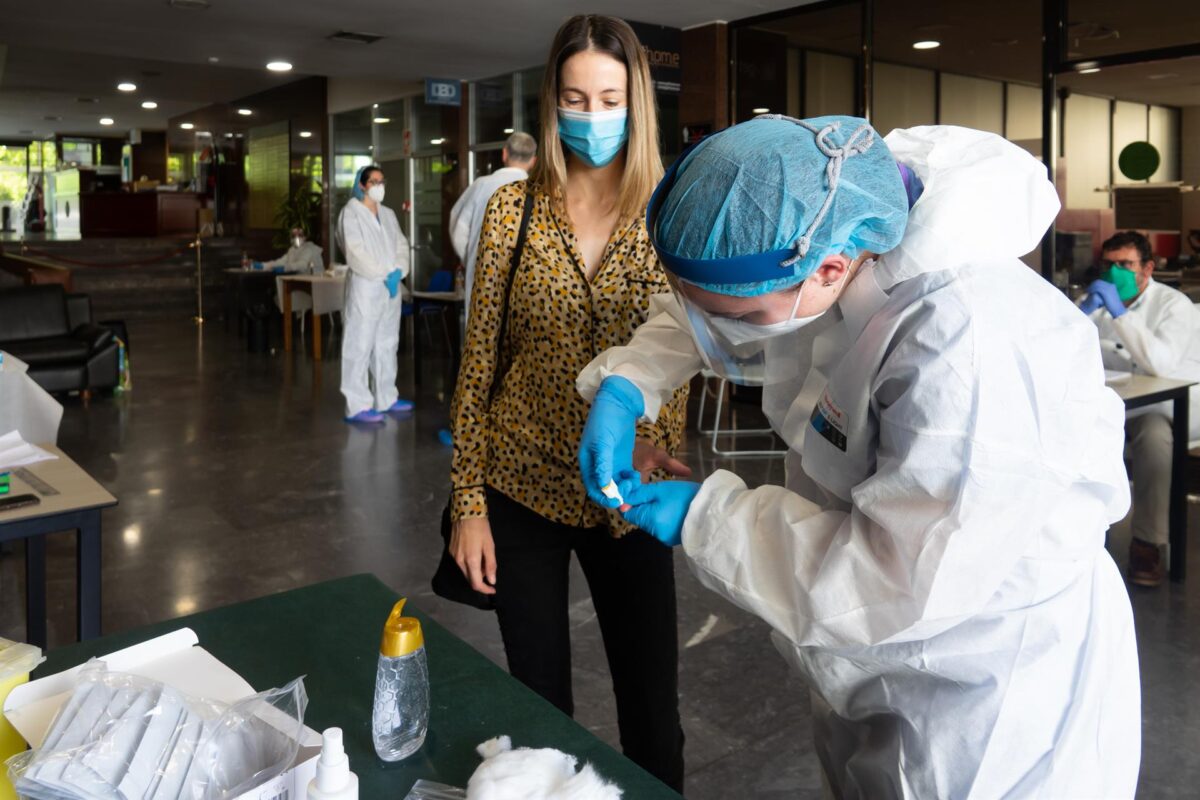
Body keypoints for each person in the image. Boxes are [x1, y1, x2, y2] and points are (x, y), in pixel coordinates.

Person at [577, 117, 1141, 798]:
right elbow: (714, 301)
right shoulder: (830, 224)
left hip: (989, 684)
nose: (727, 336)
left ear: (832, 269)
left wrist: (709, 516)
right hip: (869, 650)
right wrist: (630, 381)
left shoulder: (968, 342)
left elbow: (899, 578)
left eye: (748, 323)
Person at [448, 15, 689, 790]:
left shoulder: (670, 213)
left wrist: (654, 439)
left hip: (632, 492)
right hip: (520, 488)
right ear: (553, 102)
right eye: (577, 97)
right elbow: (480, 360)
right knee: (539, 709)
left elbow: (696, 346)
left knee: (653, 713)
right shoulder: (513, 212)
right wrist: (468, 504)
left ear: (637, 101)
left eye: (610, 97)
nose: (593, 115)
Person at [1081, 230, 1200, 586]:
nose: (1115, 271)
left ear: (1147, 269)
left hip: (1171, 406)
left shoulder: (1172, 305)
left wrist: (1119, 313)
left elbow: (1160, 364)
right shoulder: (1099, 300)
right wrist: (1081, 315)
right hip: (1119, 401)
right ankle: (1083, 537)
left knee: (1153, 435)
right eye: (1109, 264)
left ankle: (1147, 543)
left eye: (1125, 265)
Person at [337, 165, 411, 425]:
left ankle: (386, 397)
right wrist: (383, 273)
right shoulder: (351, 213)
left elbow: (402, 245)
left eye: (382, 180)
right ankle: (357, 404)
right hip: (367, 288)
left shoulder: (389, 214)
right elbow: (355, 252)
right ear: (362, 185)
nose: (379, 185)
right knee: (359, 344)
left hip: (390, 289)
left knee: (387, 343)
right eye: (374, 181)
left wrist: (399, 271)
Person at [449, 132, 537, 323]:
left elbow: (458, 226)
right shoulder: (538, 189)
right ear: (533, 161)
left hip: (482, 276)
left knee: (480, 334)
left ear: (504, 154)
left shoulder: (481, 186)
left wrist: (471, 256)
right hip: (528, 282)